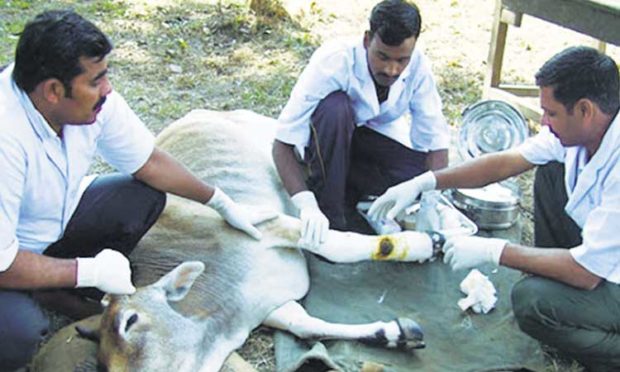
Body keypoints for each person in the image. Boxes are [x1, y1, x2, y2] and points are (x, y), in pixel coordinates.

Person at [0, 10, 273, 371]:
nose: (107, 89)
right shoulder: (6, 137)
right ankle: (45, 290)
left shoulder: (91, 104)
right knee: (17, 336)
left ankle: (52, 285)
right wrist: (89, 272)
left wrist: (219, 200)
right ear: (53, 90)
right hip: (6, 260)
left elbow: (149, 162)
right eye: (96, 81)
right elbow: (3, 266)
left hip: (49, 226)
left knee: (141, 198)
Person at [368, 46, 620, 371]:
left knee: (532, 303)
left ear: (585, 110)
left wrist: (493, 250)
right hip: (604, 255)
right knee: (550, 171)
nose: (543, 121)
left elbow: (586, 274)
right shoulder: (588, 129)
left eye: (551, 113)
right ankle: (556, 278)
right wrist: (426, 182)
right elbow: (505, 163)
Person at [272, 0, 450, 248]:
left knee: (422, 177)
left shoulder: (419, 66)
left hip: (365, 144)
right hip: (324, 145)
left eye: (402, 60)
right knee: (335, 108)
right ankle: (331, 215)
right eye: (382, 56)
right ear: (367, 40)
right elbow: (282, 143)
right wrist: (306, 206)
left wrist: (431, 201)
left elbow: (436, 142)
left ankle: (356, 197)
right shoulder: (334, 60)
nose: (391, 69)